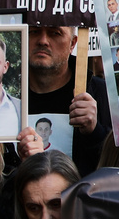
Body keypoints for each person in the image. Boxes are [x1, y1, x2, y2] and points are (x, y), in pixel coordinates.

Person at [27, 25, 111, 176]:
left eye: (55, 33)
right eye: (33, 31)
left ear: (73, 43)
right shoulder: (2, 92)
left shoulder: (102, 93)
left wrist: (94, 131)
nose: (43, 41)